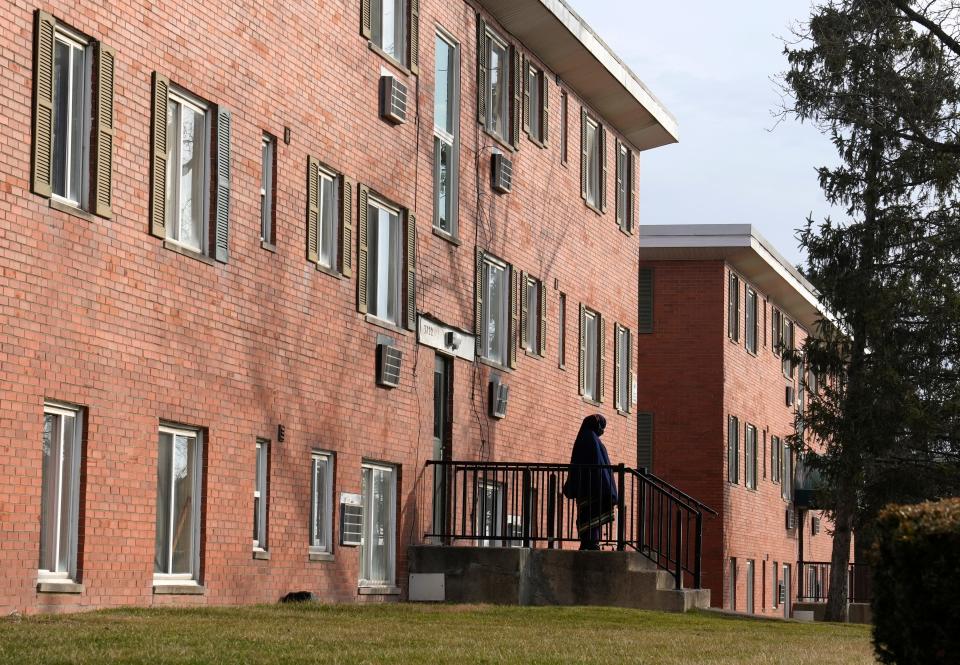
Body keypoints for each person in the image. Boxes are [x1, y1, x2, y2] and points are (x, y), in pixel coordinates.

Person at [561, 414, 618, 550]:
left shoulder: (584, 437)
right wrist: (606, 486)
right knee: (591, 516)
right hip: (593, 487)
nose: (602, 431)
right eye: (601, 427)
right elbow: (598, 464)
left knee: (587, 516)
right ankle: (591, 543)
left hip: (585, 486)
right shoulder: (591, 439)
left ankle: (589, 543)